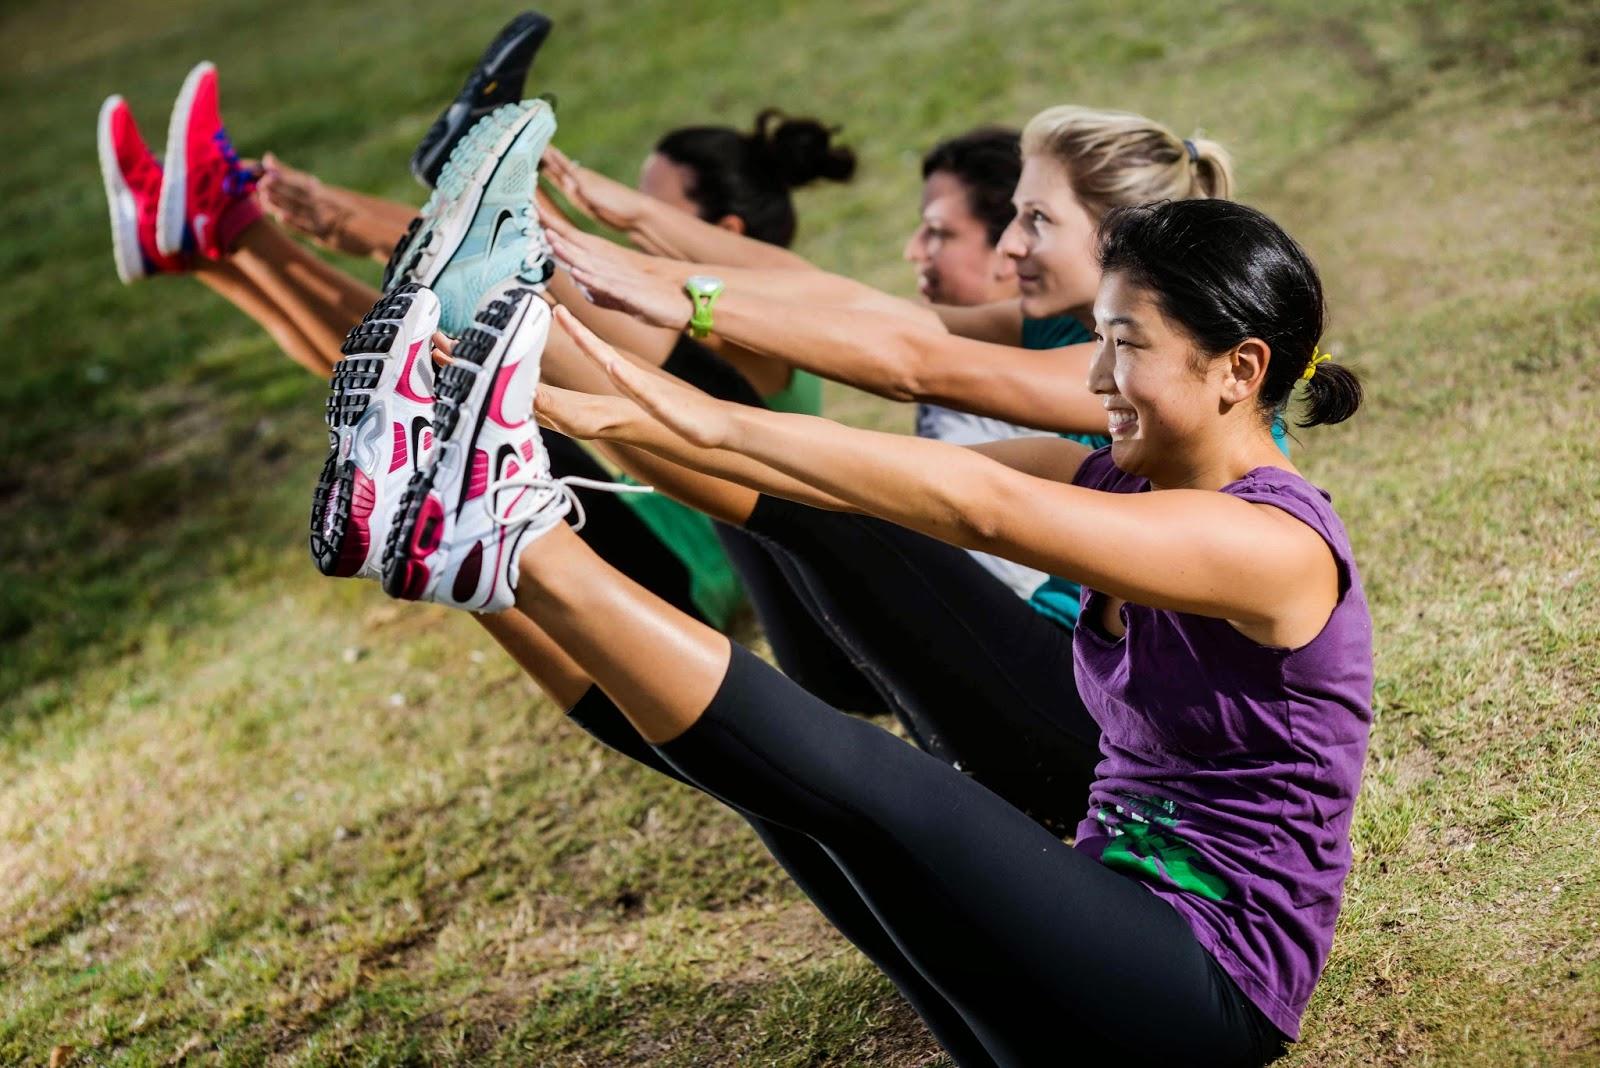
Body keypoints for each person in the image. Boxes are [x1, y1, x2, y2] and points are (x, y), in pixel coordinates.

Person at [326, 196, 1370, 1065]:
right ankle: (471, 531)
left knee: (884, 786)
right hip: (1094, 945)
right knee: (791, 798)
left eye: (1125, 345)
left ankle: (510, 543)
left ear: (1238, 368)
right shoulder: (1112, 473)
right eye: (1097, 341)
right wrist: (572, 403)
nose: (1095, 380)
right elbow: (828, 483)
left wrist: (685, 411)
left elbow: (977, 505)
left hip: (1201, 992)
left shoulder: (1273, 546)